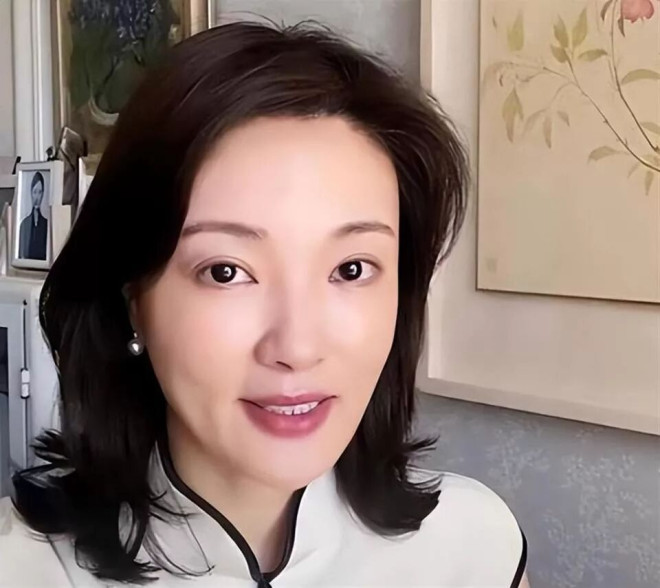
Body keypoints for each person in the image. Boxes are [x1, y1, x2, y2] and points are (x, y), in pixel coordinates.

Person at [0, 20, 531, 587]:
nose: (297, 347)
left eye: (351, 269)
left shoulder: (475, 549)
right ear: (133, 301)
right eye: (226, 272)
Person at [18, 171, 48, 260]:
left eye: (40, 192)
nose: (37, 197)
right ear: (31, 193)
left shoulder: (46, 224)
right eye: (35, 192)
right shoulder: (24, 224)